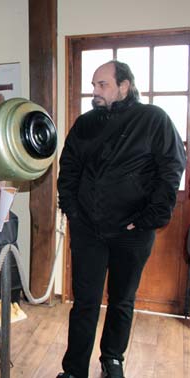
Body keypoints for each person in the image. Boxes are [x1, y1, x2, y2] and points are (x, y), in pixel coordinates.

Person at [56, 61, 186, 378]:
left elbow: (172, 168)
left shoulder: (153, 120)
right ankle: (74, 370)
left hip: (132, 230)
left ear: (124, 86)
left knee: (122, 300)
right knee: (84, 302)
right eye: (94, 85)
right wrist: (72, 211)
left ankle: (112, 358)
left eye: (102, 84)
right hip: (88, 229)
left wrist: (150, 217)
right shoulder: (85, 124)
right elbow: (68, 168)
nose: (95, 91)